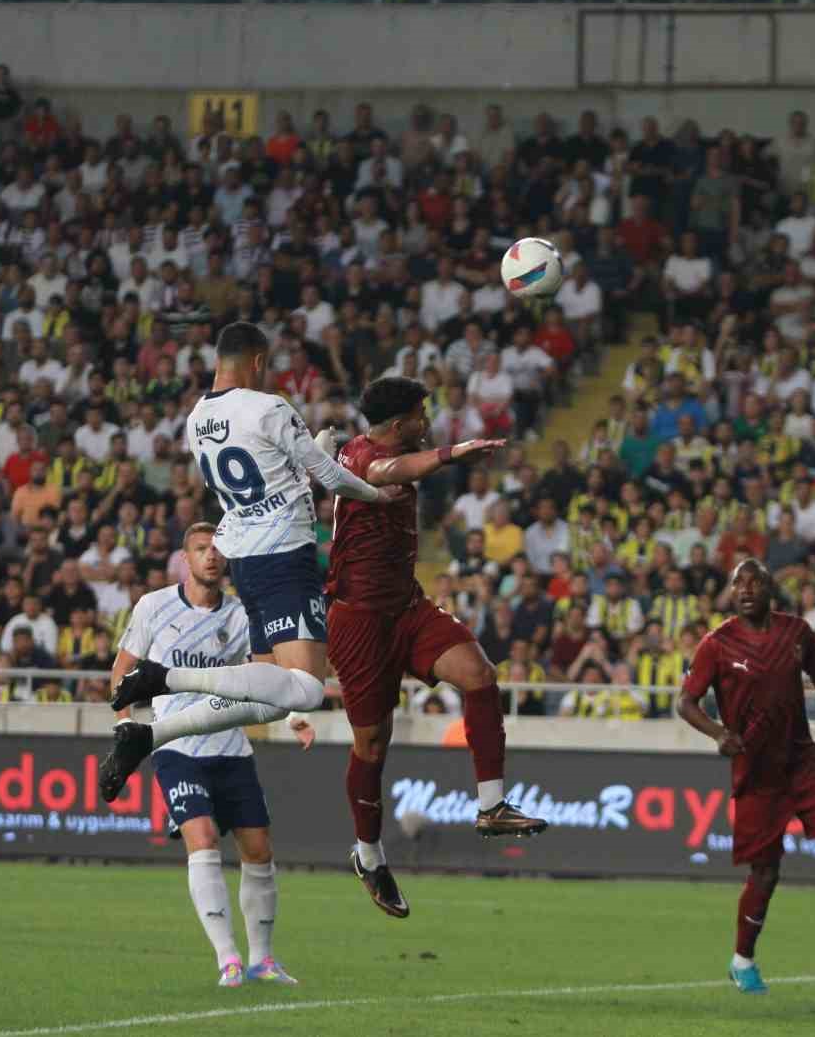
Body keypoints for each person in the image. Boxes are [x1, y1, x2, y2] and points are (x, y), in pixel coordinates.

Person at [97, 322, 398, 799]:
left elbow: (275, 477)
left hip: (250, 560)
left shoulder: (196, 420)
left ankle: (151, 734)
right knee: (306, 690)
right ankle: (164, 678)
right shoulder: (269, 407)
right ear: (258, 363)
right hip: (284, 560)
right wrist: (379, 496)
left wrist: (313, 450)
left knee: (269, 701)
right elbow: (332, 479)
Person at [324, 375, 548, 916]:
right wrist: (454, 453)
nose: (428, 423)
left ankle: (492, 805)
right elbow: (389, 471)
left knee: (479, 674)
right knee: (372, 746)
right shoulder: (367, 461)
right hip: (359, 623)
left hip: (408, 608)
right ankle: (370, 855)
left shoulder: (368, 449)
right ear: (400, 425)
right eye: (422, 416)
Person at [678, 558, 815, 995]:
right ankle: (742, 961)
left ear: (769, 589)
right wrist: (718, 733)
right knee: (765, 873)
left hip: (803, 764)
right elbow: (686, 702)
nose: (744, 589)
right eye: (736, 583)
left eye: (753, 582)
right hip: (756, 772)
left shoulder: (796, 633)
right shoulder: (717, 643)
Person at [110, 522, 311, 987]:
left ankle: (262, 959)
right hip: (174, 745)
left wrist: (290, 718)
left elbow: (268, 681)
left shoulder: (243, 616)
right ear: (186, 557)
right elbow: (122, 671)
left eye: (218, 550)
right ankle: (228, 959)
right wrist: (125, 730)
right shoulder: (154, 607)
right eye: (202, 549)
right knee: (201, 839)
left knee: (259, 851)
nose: (211, 557)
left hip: (231, 747)